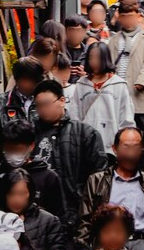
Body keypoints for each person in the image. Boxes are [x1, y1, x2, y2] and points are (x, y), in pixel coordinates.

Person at [31, 79, 108, 238]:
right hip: (36, 212)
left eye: (46, 104)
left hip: (73, 213)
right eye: (38, 105)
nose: (43, 110)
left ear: (62, 100)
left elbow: (99, 178)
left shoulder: (85, 134)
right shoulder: (30, 133)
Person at [78, 125, 144, 250]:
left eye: (136, 148)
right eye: (126, 147)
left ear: (142, 149)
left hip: (142, 243)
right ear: (115, 149)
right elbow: (86, 220)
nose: (131, 154)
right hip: (107, 244)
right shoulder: (97, 181)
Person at [0, 120, 64, 224]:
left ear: (31, 146)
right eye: (9, 149)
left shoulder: (48, 177)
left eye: (18, 150)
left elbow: (58, 216)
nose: (13, 154)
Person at [0, 59, 45, 169]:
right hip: (9, 166)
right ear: (19, 80)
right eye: (30, 80)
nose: (34, 85)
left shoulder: (44, 102)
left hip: (39, 167)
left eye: (37, 81)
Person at [109, 3, 144, 148]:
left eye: (131, 16)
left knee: (143, 130)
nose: (128, 20)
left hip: (139, 92)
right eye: (124, 16)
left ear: (138, 16)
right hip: (118, 91)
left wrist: (142, 81)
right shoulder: (114, 39)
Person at [68, 42, 134, 151]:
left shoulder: (119, 84)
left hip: (111, 144)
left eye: (98, 57)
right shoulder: (81, 84)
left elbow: (126, 116)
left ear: (105, 58)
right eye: (91, 57)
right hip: (86, 142)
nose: (94, 61)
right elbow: (75, 113)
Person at [0, 168, 66, 250]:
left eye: (22, 193)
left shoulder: (49, 221)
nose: (17, 199)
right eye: (11, 193)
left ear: (31, 193)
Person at [63, 15, 91, 82]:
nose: (75, 34)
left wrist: (85, 75)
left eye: (79, 30)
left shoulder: (90, 52)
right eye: (72, 30)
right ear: (65, 31)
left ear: (84, 32)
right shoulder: (59, 50)